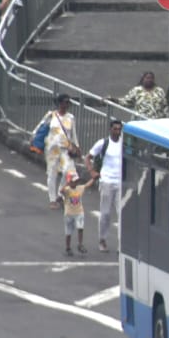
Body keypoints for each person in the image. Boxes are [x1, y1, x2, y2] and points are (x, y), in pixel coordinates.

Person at [88, 120, 124, 253]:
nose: (117, 132)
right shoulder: (103, 143)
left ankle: (122, 245)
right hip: (107, 181)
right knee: (106, 213)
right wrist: (92, 171)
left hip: (120, 183)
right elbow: (88, 157)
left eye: (119, 129)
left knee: (122, 214)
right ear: (110, 129)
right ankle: (102, 239)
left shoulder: (123, 144)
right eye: (115, 129)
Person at [40, 94, 80, 208]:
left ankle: (60, 194)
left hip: (65, 149)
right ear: (59, 103)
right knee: (52, 173)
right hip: (52, 149)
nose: (67, 105)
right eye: (65, 102)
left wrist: (77, 146)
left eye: (68, 103)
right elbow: (41, 127)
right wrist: (34, 138)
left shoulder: (70, 117)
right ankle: (52, 199)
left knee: (70, 173)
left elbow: (73, 134)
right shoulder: (51, 115)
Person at [61, 168, 89, 257]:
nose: (76, 182)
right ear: (70, 182)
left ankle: (80, 244)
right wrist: (67, 183)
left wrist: (93, 179)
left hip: (79, 212)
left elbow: (86, 185)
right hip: (69, 214)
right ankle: (68, 247)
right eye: (74, 181)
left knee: (80, 228)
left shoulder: (79, 188)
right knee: (68, 232)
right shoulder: (67, 190)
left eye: (77, 181)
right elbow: (61, 191)